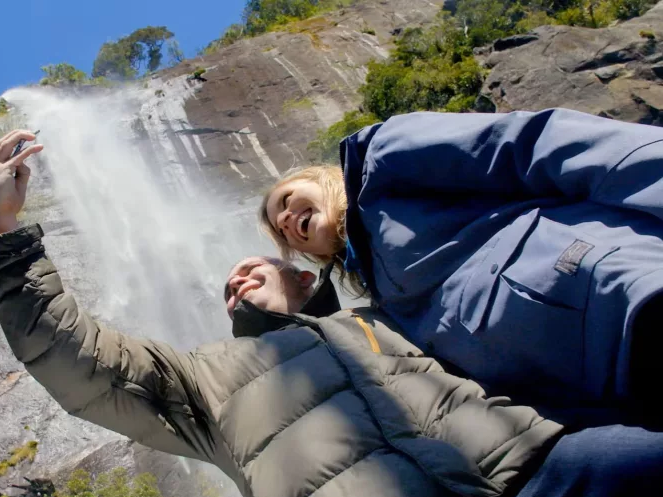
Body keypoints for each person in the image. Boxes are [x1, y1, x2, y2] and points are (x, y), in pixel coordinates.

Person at [0, 130, 568, 497]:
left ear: (306, 277)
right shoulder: (201, 378)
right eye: (228, 288)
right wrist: (5, 229)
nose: (233, 282)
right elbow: (73, 357)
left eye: (251, 268)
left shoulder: (388, 314)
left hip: (543, 472)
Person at [260, 109, 663, 422]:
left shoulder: (381, 159)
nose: (283, 220)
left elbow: (533, 144)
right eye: (281, 233)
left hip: (624, 295)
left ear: (318, 179)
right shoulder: (381, 303)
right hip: (612, 389)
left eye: (285, 199)